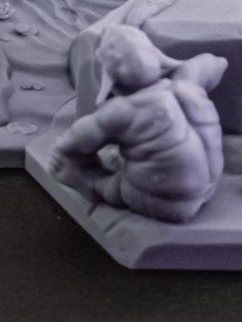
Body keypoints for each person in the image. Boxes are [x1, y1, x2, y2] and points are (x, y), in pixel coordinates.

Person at [49, 25, 227, 222]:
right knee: (150, 150)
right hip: (209, 188)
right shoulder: (190, 81)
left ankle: (93, 186)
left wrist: (62, 147)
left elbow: (73, 141)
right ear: (156, 56)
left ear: (110, 79)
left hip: (169, 205)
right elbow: (218, 62)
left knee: (116, 186)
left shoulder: (123, 110)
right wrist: (183, 67)